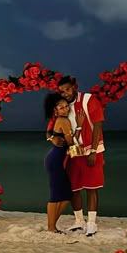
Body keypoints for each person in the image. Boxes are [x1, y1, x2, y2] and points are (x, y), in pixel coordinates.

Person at [57, 75, 105, 237]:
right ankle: (79, 221)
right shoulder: (63, 106)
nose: (65, 93)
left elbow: (98, 125)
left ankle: (92, 223)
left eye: (68, 89)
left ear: (75, 87)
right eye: (62, 91)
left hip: (91, 149)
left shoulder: (88, 99)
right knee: (74, 188)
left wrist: (93, 150)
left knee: (92, 187)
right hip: (74, 150)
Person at [43, 92, 75, 232]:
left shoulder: (59, 120)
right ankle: (51, 227)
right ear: (55, 110)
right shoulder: (64, 121)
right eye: (62, 107)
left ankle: (52, 225)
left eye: (67, 106)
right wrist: (78, 128)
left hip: (54, 158)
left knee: (67, 195)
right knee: (55, 195)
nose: (66, 109)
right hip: (55, 159)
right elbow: (70, 142)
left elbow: (50, 133)